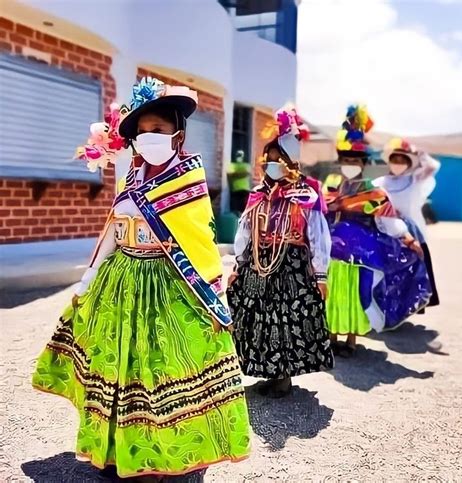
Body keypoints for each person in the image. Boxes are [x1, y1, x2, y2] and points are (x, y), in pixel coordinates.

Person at [32, 77, 250, 481]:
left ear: (177, 135)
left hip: (172, 286)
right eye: (143, 132)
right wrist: (88, 279)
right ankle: (119, 450)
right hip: (122, 281)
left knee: (163, 372)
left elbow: (200, 240)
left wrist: (213, 292)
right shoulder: (130, 180)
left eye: (159, 131)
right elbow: (114, 231)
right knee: (121, 372)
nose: (150, 137)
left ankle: (163, 455)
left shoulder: (189, 179)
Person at [227, 105, 334, 398]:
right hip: (257, 263)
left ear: (292, 163)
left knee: (285, 320)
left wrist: (321, 274)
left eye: (279, 159)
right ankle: (266, 372)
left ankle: (283, 376)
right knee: (257, 319)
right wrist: (238, 265)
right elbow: (244, 230)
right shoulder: (258, 194)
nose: (272, 164)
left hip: (292, 266)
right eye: (269, 159)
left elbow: (318, 235)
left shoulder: (306, 195)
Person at [324, 105, 432, 358]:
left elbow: (388, 221)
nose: (350, 164)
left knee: (355, 295)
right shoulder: (330, 185)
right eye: (346, 160)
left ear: (363, 163)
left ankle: (350, 340)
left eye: (355, 160)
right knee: (332, 295)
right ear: (341, 161)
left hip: (362, 254)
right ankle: (330, 337)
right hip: (332, 252)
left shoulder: (373, 191)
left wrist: (407, 239)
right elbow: (319, 215)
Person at [373, 138, 440, 308]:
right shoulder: (380, 182)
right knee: (389, 273)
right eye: (395, 159)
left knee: (413, 271)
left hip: (412, 232)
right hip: (386, 231)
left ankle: (411, 305)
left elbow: (433, 167)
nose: (398, 163)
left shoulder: (414, 180)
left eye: (403, 160)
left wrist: (420, 153)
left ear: (409, 162)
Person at [228, 150, 251, 214]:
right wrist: (241, 174)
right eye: (238, 155)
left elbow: (246, 174)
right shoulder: (233, 165)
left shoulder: (246, 165)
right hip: (236, 189)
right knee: (236, 207)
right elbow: (230, 175)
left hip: (244, 189)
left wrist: (237, 174)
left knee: (243, 207)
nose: (239, 157)